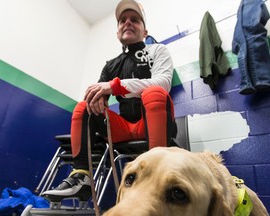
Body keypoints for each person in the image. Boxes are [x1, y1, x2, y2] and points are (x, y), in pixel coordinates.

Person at [42, 0, 176, 202]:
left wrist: (114, 86)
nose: (127, 23)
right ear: (117, 32)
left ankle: (157, 172)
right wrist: (97, 98)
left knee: (154, 93)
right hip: (123, 129)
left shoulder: (158, 51)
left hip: (153, 124)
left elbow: (163, 83)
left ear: (145, 31)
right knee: (84, 107)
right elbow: (97, 97)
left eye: (134, 20)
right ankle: (82, 177)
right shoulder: (111, 65)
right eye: (123, 20)